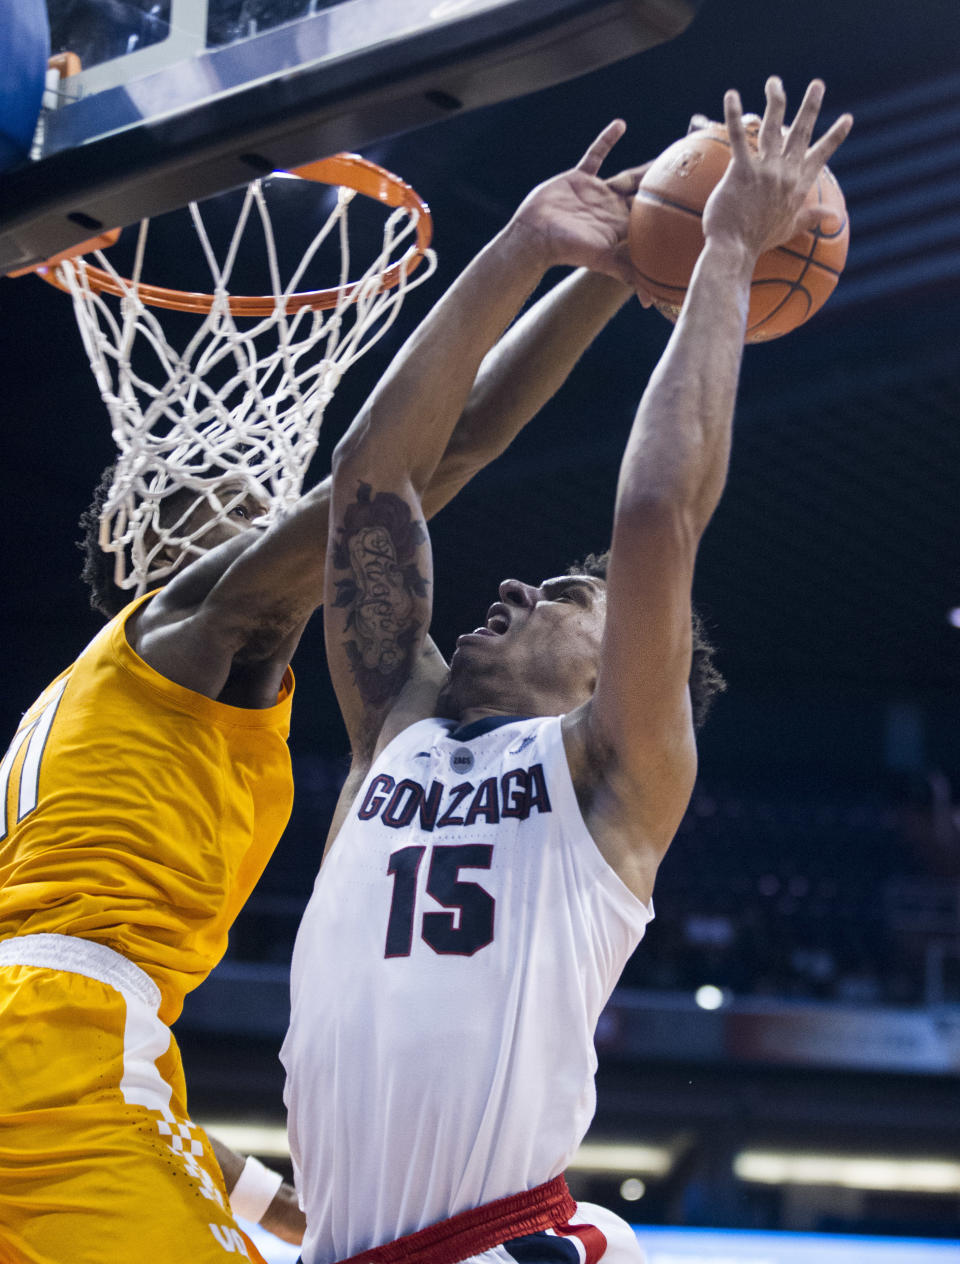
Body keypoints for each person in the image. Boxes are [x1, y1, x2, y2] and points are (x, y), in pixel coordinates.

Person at [0, 144, 658, 1261]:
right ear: (157, 523)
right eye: (255, 500)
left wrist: (302, 1212)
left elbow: (130, 1112)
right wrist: (594, 265)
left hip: (74, 1063)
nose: (277, 500)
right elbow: (437, 455)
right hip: (60, 1060)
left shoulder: (99, 701)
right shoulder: (195, 633)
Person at [281, 76, 853, 1264]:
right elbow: (372, 478)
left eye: (563, 597)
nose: (512, 590)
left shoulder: (612, 775)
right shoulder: (401, 722)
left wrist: (731, 253)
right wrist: (524, 247)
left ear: (627, 672)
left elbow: (656, 512)